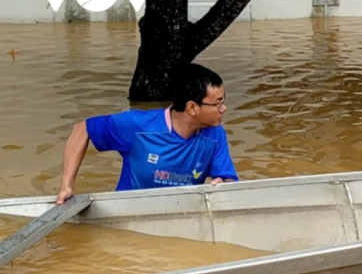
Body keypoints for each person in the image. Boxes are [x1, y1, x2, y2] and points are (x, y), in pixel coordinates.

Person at [56, 63, 238, 204]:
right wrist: (66, 186)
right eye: (217, 103)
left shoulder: (215, 134)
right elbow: (82, 129)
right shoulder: (138, 126)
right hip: (128, 215)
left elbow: (227, 178)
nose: (224, 108)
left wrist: (223, 185)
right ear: (192, 107)